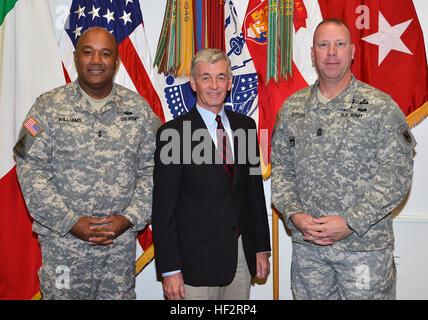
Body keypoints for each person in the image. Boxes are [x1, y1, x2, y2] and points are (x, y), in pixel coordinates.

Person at [271, 18, 416, 300]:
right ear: (312, 54)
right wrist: (293, 214)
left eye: (339, 44)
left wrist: (350, 221)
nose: (331, 53)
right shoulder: (292, 109)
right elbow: (282, 171)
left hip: (364, 251)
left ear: (352, 51)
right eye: (323, 45)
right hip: (309, 253)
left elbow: (396, 175)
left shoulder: (380, 107)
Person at [13, 27, 160, 299]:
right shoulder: (46, 107)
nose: (96, 60)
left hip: (117, 250)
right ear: (75, 57)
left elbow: (155, 170)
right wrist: (71, 221)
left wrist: (129, 218)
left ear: (116, 62)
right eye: (88, 52)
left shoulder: (138, 110)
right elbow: (28, 166)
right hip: (62, 247)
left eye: (106, 54)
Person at [152, 48, 271, 300]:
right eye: (206, 77)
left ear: (230, 82)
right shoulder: (172, 134)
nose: (214, 85)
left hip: (241, 255)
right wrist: (170, 269)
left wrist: (261, 248)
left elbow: (254, 195)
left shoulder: (246, 127)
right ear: (193, 83)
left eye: (220, 77)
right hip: (193, 262)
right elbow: (163, 210)